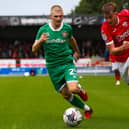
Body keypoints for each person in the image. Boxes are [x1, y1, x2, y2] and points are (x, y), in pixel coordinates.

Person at [32, 5, 93, 118]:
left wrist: (77, 51)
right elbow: (34, 49)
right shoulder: (43, 30)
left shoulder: (67, 28)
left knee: (73, 89)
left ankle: (80, 90)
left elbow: (71, 39)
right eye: (56, 16)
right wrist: (40, 41)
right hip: (53, 67)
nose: (59, 19)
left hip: (66, 63)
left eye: (61, 16)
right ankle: (87, 109)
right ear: (51, 16)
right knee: (65, 94)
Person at [101, 2, 129, 85]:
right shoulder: (104, 28)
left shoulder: (125, 14)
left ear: (116, 14)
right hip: (120, 60)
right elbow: (112, 51)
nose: (108, 20)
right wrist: (123, 47)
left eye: (110, 17)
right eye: (106, 18)